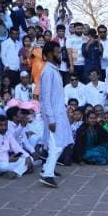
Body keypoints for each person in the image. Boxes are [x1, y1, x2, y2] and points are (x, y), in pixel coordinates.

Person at [38, 41, 73, 188]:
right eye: (57, 52)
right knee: (56, 145)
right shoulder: (47, 71)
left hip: (58, 112)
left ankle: (47, 168)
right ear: (49, 54)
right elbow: (45, 97)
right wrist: (51, 118)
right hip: (53, 115)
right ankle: (47, 175)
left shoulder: (53, 70)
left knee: (62, 141)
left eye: (60, 52)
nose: (60, 55)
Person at [0, 114, 31, 178]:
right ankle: (20, 171)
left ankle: (14, 173)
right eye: (1, 125)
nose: (4, 128)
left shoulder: (8, 133)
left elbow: (16, 147)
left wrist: (27, 156)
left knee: (29, 159)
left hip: (9, 162)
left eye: (5, 125)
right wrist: (7, 159)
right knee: (3, 166)